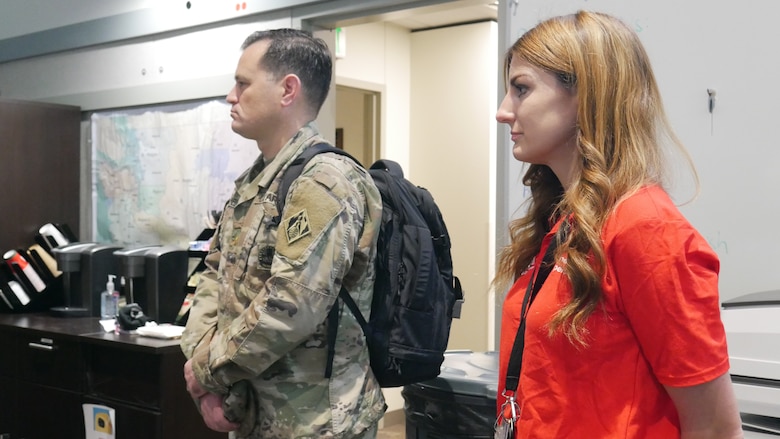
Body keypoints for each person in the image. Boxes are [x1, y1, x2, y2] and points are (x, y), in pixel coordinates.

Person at [493, 11, 743, 439]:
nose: (503, 112)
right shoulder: (568, 223)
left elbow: (715, 427)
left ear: (586, 94)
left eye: (521, 89)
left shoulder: (645, 228)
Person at [180, 28, 386, 438]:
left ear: (287, 90)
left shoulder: (324, 181)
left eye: (243, 83)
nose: (231, 96)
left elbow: (292, 305)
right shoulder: (255, 182)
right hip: (255, 413)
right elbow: (213, 274)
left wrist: (206, 373)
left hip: (316, 423)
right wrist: (203, 374)